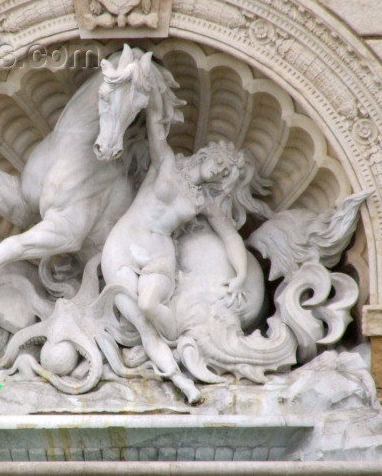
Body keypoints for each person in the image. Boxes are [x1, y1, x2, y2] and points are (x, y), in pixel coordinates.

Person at [101, 87, 269, 404]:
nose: (222, 171)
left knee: (149, 306)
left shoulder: (204, 200)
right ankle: (181, 381)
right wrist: (146, 85)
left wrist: (241, 274)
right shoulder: (164, 161)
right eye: (222, 163)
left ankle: (184, 345)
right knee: (142, 322)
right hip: (124, 244)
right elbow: (154, 122)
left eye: (227, 173)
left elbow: (231, 236)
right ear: (207, 154)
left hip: (159, 254)